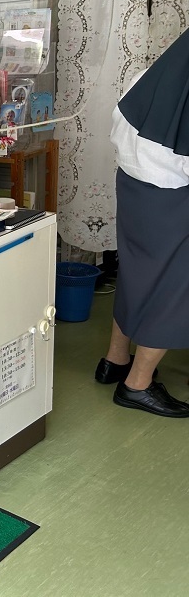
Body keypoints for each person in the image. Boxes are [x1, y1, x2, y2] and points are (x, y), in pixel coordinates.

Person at [95, 30, 189, 417]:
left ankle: (114, 360)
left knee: (136, 272)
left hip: (133, 181)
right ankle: (138, 384)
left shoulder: (159, 70)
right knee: (175, 286)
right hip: (174, 192)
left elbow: (124, 117)